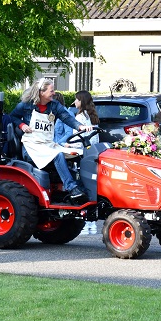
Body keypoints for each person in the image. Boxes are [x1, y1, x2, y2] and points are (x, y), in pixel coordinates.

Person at [9, 78, 92, 204]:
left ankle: (82, 189)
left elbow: (66, 117)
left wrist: (80, 126)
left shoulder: (54, 105)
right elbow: (12, 116)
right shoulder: (26, 105)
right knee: (57, 155)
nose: (54, 93)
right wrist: (22, 125)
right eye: (51, 91)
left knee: (77, 154)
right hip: (31, 146)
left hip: (47, 145)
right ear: (41, 92)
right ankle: (72, 188)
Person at [68, 90, 100, 235]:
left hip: (81, 154)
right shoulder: (93, 117)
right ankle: (92, 224)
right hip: (92, 154)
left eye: (76, 100)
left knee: (81, 185)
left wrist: (68, 145)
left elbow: (78, 139)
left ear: (81, 101)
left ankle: (83, 220)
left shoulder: (80, 117)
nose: (74, 102)